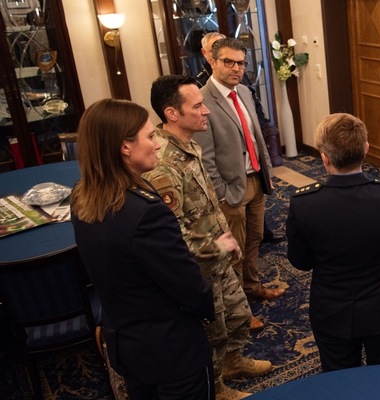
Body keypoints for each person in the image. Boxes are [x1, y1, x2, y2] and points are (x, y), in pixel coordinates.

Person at [71, 99, 216, 399]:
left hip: (129, 348)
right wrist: (207, 304)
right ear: (125, 147)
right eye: (149, 137)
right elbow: (188, 286)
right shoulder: (145, 213)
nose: (157, 145)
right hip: (173, 351)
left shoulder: (81, 198)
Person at [144, 75, 274, 399]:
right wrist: (219, 245)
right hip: (199, 266)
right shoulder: (164, 166)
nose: (207, 111)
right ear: (172, 113)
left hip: (217, 256)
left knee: (240, 315)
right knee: (212, 333)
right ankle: (216, 388)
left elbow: (203, 204)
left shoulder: (189, 144)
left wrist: (224, 234)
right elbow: (172, 235)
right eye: (198, 105)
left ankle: (233, 363)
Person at [286, 113, 380, 371]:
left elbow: (300, 262)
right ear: (366, 149)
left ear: (324, 157)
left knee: (340, 385)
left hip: (331, 314)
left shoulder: (304, 205)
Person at [194, 37, 288, 306]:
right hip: (230, 188)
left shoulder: (244, 91)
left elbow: (257, 139)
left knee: (255, 239)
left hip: (255, 179)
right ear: (212, 61)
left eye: (241, 63)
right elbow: (206, 157)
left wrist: (266, 173)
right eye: (228, 62)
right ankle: (238, 308)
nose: (236, 68)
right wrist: (221, 193)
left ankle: (253, 287)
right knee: (234, 249)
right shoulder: (203, 100)